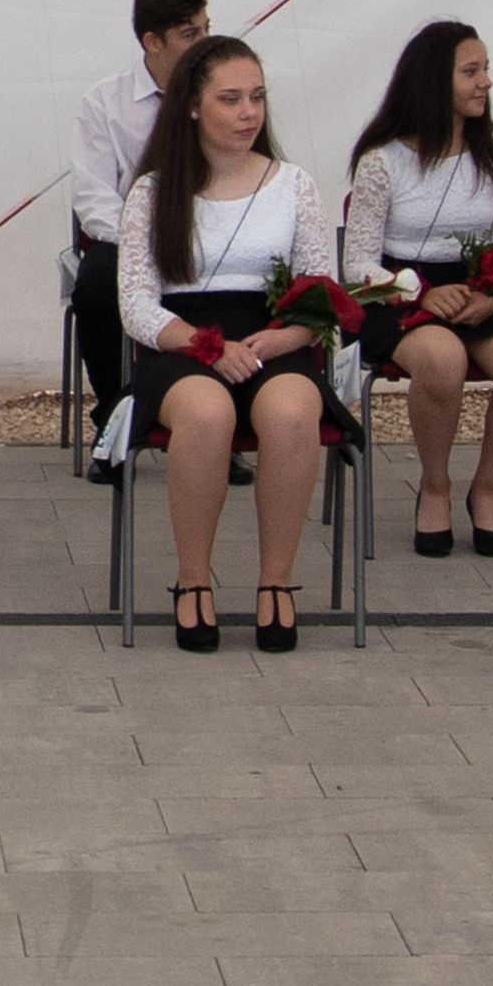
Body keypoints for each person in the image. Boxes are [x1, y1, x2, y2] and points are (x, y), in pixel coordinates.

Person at [125, 35, 341, 655]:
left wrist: (286, 336)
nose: (249, 112)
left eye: (257, 97)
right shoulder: (153, 191)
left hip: (273, 338)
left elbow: (320, 293)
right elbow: (136, 304)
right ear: (193, 106)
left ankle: (277, 581)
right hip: (183, 344)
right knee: (206, 413)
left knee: (293, 412)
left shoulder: (293, 184)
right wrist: (207, 346)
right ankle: (194, 579)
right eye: (231, 99)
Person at [341, 19, 493, 561]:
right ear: (434, 82)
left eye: (485, 69)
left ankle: (486, 488)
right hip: (401, 292)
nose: (486, 81)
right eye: (471, 71)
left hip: (481, 288)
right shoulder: (382, 159)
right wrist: (417, 294)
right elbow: (357, 262)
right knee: (442, 361)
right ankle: (434, 485)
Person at [64, 0, 212, 484]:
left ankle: (218, 419)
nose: (205, 43)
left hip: (208, 233)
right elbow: (93, 196)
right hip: (131, 239)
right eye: (191, 34)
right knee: (97, 284)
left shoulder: (219, 92)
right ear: (152, 41)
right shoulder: (106, 102)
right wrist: (143, 243)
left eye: (207, 29)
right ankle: (115, 417)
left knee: (233, 274)